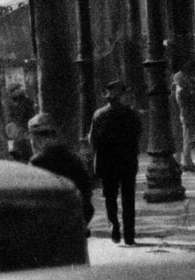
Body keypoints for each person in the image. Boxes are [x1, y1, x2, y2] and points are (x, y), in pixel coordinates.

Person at [88, 78, 142, 245]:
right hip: (127, 162)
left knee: (110, 197)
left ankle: (114, 225)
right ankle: (129, 234)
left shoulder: (99, 115)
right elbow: (138, 136)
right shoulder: (132, 115)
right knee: (128, 198)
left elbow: (92, 139)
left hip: (107, 163)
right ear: (121, 96)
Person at [27, 112, 94, 233]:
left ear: (37, 139)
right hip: (74, 224)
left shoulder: (36, 163)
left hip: (48, 229)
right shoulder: (73, 159)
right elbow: (86, 191)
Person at [171, 58, 195, 171]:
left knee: (188, 138)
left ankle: (187, 162)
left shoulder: (184, 79)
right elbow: (184, 96)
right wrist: (193, 94)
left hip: (187, 111)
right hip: (186, 112)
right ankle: (186, 163)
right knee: (187, 138)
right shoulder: (183, 80)